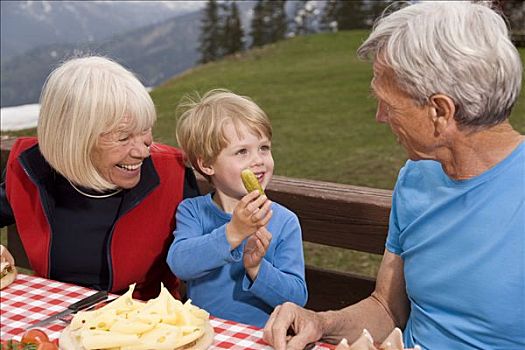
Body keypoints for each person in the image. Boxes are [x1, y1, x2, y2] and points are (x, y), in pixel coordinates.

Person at [263, 1, 524, 349]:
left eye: (389, 103)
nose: (379, 116)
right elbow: (387, 307)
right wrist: (319, 322)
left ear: (440, 111)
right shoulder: (417, 177)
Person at [0, 56, 199, 300]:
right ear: (75, 138)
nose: (143, 150)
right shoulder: (30, 169)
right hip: (58, 321)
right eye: (123, 137)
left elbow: (212, 256)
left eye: (145, 129)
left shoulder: (173, 174)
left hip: (150, 325)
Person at [166, 89, 307, 327]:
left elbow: (296, 298)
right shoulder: (192, 212)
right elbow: (180, 264)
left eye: (264, 147)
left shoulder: (284, 221)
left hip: (261, 338)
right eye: (242, 151)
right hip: (204, 336)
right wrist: (233, 232)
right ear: (207, 164)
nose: (258, 160)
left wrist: (256, 268)